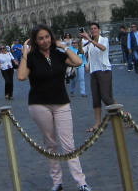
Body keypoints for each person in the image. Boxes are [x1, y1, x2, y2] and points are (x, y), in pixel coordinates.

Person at [18, 24, 92, 191]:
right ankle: (57, 182)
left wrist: (64, 46)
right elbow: (21, 76)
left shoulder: (58, 55)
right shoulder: (32, 57)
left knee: (68, 144)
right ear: (35, 41)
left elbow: (78, 61)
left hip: (61, 102)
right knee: (51, 144)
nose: (45, 41)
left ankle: (81, 182)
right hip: (40, 104)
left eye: (47, 37)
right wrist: (25, 54)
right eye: (41, 38)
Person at [79, 22, 114, 132]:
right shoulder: (88, 43)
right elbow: (81, 52)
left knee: (106, 97)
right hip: (93, 71)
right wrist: (80, 40)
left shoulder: (104, 39)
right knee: (96, 98)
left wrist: (89, 39)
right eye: (91, 29)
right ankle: (97, 123)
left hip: (104, 70)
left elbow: (102, 48)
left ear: (99, 30)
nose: (93, 30)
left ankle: (123, 116)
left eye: (95, 28)